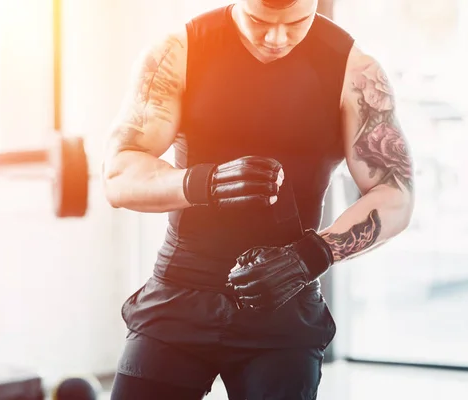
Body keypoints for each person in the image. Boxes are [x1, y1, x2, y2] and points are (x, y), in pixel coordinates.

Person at [102, 0, 414, 398]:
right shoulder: (179, 52)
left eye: (296, 23)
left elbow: (395, 192)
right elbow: (118, 174)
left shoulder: (354, 71)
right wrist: (206, 183)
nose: (277, 39)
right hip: (181, 288)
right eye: (258, 22)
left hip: (284, 297)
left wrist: (309, 257)